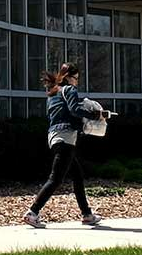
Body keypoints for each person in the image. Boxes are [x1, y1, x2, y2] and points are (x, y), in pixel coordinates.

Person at [23, 63, 105, 228]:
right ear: (69, 77)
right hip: (66, 138)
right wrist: (94, 115)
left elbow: (61, 114)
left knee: (77, 176)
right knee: (55, 179)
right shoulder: (69, 90)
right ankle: (32, 212)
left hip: (54, 137)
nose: (76, 82)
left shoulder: (53, 93)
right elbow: (75, 110)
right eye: (76, 79)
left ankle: (87, 214)